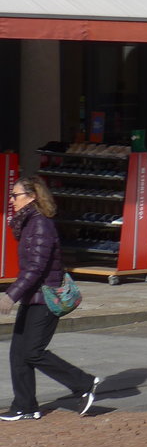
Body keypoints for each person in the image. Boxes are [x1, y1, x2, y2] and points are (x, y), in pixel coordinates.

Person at [0, 176, 99, 420]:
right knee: (18, 353)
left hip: (45, 297)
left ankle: (84, 383)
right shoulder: (28, 223)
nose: (11, 200)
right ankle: (25, 407)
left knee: (32, 352)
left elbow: (36, 267)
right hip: (32, 297)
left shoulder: (40, 224)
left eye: (15, 195)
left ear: (32, 197)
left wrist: (11, 295)